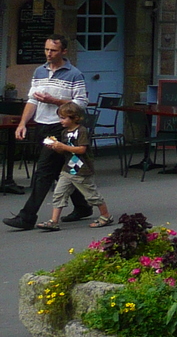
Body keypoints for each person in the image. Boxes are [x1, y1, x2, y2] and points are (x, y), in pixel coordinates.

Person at [5, 34, 90, 230]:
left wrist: (54, 101)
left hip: (61, 128)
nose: (48, 54)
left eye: (53, 50)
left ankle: (26, 217)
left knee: (43, 171)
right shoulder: (39, 71)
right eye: (46, 49)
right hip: (42, 126)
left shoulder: (74, 74)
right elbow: (32, 100)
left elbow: (81, 104)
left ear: (64, 52)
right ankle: (83, 206)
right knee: (63, 169)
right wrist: (22, 123)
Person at [36, 102, 111, 230]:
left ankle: (105, 216)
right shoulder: (65, 132)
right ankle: (54, 221)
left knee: (91, 195)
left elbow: (82, 149)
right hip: (67, 169)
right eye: (60, 117)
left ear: (75, 118)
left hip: (81, 170)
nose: (61, 121)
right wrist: (55, 147)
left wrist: (63, 146)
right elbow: (65, 151)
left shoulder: (81, 131)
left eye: (63, 118)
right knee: (59, 193)